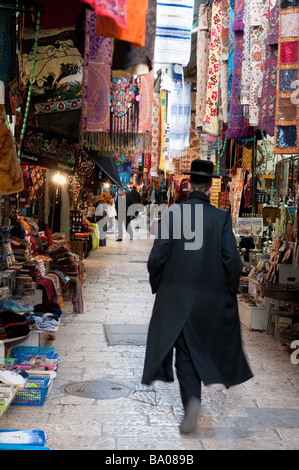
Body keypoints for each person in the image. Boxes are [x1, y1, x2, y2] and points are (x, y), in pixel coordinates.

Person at [142, 159, 253, 434]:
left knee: (184, 354)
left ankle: (191, 400)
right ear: (210, 186)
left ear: (189, 184)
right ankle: (194, 399)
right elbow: (233, 262)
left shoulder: (172, 215)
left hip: (177, 299)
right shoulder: (221, 218)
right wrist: (228, 289)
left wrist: (160, 286)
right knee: (200, 348)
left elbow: (156, 258)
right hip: (209, 301)